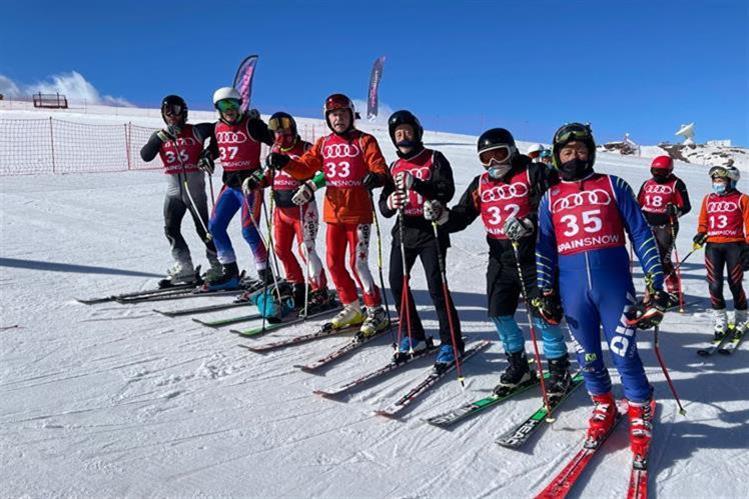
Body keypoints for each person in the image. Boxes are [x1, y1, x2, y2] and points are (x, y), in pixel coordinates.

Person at [535, 122, 668, 459]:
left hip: (614, 286)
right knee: (588, 355)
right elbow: (545, 247)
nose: (574, 156)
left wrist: (655, 279)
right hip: (573, 288)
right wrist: (545, 291)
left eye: (581, 150)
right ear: (556, 156)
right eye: (567, 152)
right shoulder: (550, 197)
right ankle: (604, 405)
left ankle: (639, 409)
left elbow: (640, 232)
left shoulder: (613, 184)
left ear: (591, 153)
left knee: (624, 352)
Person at [425, 128, 572, 390]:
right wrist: (442, 216)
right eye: (486, 157)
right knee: (499, 313)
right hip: (500, 259)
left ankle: (558, 367)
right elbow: (462, 215)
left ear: (512, 151)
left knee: (543, 314)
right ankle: (518, 364)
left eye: (499, 154)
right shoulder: (480, 183)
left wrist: (530, 222)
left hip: (534, 257)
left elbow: (556, 204)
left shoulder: (534, 172)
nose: (494, 163)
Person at [265, 94, 389, 337]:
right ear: (327, 118)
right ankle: (352, 307)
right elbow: (304, 168)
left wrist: (377, 177)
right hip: (334, 214)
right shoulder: (324, 143)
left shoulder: (365, 141)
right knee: (333, 263)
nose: (338, 118)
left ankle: (375, 310)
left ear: (351, 115)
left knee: (358, 264)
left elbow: (380, 168)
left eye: (343, 114)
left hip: (358, 214)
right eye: (334, 114)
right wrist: (284, 163)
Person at [377, 110, 462, 367]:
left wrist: (418, 185)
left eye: (407, 132)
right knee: (396, 282)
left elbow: (446, 190)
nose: (403, 137)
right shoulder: (394, 167)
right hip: (404, 230)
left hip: (430, 231)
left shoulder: (434, 158)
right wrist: (390, 203)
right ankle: (415, 335)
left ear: (417, 133)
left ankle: (452, 342)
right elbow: (383, 204)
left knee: (437, 286)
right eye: (398, 134)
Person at [240, 112, 332, 312]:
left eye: (285, 131)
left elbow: (327, 173)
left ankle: (320, 290)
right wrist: (255, 181)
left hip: (303, 210)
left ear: (293, 130)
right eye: (277, 132)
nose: (281, 136)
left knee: (305, 250)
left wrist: (310, 186)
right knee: (280, 249)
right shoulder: (274, 149)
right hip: (281, 211)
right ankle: (297, 284)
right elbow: (267, 174)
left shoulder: (307, 148)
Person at [198, 87, 274, 290]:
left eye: (233, 104)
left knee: (249, 230)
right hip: (230, 186)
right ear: (218, 108)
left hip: (251, 186)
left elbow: (276, 142)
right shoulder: (218, 128)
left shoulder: (252, 124)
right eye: (224, 105)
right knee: (215, 227)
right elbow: (214, 148)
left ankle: (265, 275)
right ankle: (229, 272)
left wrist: (268, 167)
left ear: (240, 105)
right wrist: (206, 156)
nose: (230, 109)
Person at [140, 95, 221, 286]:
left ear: (183, 112)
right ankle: (185, 267)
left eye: (175, 111)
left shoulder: (196, 130)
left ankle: (218, 265)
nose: (171, 116)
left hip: (194, 191)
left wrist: (208, 153)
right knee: (170, 229)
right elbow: (145, 156)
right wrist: (158, 139)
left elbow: (221, 128)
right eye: (166, 112)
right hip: (173, 192)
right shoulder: (160, 135)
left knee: (204, 229)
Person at [692, 164, 748, 337]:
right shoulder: (708, 199)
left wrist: (748, 247)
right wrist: (701, 233)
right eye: (715, 180)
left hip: (735, 246)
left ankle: (741, 316)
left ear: (730, 181)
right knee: (714, 285)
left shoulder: (743, 199)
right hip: (713, 247)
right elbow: (703, 220)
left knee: (735, 283)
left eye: (721, 180)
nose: (718, 183)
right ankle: (720, 319)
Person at [637, 156, 691, 300]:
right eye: (655, 171)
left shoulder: (676, 184)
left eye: (661, 172)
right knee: (649, 258)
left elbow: (686, 206)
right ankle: (651, 292)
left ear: (669, 171)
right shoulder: (647, 184)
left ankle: (674, 293)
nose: (657, 175)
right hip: (647, 225)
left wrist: (675, 210)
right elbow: (638, 203)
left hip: (666, 226)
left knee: (662, 260)